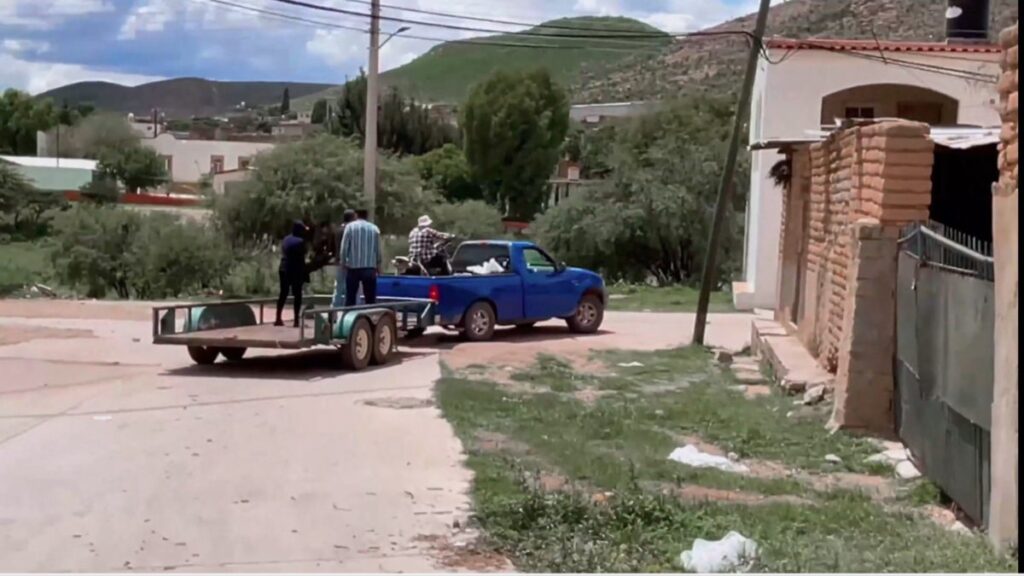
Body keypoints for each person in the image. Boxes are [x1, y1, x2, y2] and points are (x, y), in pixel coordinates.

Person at [339, 208, 382, 307]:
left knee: (350, 297)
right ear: (367, 216)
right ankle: (369, 318)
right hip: (370, 267)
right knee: (370, 298)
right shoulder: (374, 229)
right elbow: (378, 249)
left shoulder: (350, 227)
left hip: (353, 267)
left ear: (356, 215)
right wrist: (378, 264)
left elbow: (344, 247)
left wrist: (343, 262)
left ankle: (350, 318)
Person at [275, 220, 308, 327]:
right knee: (297, 295)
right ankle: (296, 320)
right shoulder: (301, 242)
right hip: (295, 270)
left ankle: (278, 318)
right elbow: (303, 256)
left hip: (283, 268)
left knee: (283, 294)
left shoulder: (286, 239)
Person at [331, 209, 357, 308]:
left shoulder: (337, 230)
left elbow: (333, 246)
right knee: (352, 288)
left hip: (339, 261)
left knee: (338, 288)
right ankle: (351, 310)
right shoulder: (352, 230)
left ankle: (333, 310)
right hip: (351, 263)